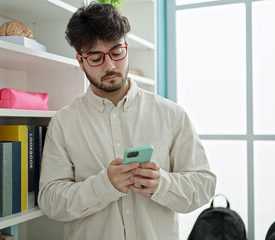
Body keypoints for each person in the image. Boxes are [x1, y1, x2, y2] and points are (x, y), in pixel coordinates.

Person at [37, 2, 216, 240]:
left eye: (116, 52)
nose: (110, 65)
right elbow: (51, 201)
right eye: (96, 58)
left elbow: (204, 185)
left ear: (126, 48)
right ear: (80, 61)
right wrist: (104, 185)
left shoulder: (171, 115)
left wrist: (163, 184)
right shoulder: (64, 122)